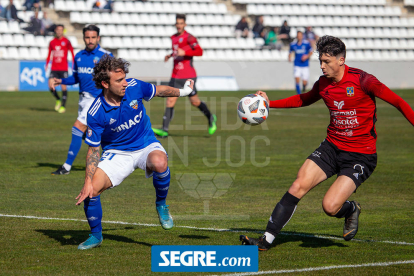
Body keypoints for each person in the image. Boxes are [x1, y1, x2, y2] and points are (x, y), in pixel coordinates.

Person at [240, 35, 414, 251]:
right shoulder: (323, 84)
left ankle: (350, 209)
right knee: (298, 185)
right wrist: (268, 103)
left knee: (330, 207)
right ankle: (265, 240)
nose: (322, 66)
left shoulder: (364, 81)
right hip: (331, 148)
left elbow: (398, 101)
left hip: (360, 155)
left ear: (341, 60)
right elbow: (302, 99)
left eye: (326, 62)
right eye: (320, 61)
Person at [75, 54, 195, 250]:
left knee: (159, 162)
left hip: (145, 143)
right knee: (91, 192)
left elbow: (160, 90)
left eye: (124, 78)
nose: (125, 84)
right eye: (119, 80)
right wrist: (87, 181)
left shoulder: (134, 87)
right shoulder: (95, 112)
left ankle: (161, 204)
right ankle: (96, 235)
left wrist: (184, 91)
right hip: (117, 153)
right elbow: (94, 150)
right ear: (105, 83)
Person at [49, 25, 113, 175]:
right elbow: (76, 78)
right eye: (87, 37)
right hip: (83, 100)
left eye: (93, 37)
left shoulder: (106, 56)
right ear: (84, 38)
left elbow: (115, 77)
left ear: (98, 38)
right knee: (94, 134)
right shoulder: (79, 56)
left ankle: (66, 167)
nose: (90, 41)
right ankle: (113, 159)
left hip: (97, 100)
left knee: (77, 128)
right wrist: (61, 81)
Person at [152, 14, 216, 138]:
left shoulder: (190, 38)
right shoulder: (173, 38)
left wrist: (185, 52)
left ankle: (210, 117)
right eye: (177, 23)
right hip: (175, 75)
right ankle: (164, 129)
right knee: (170, 100)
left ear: (184, 24)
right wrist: (170, 55)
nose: (179, 25)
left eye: (181, 23)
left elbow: (200, 51)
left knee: (195, 102)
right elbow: (176, 51)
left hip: (188, 76)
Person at [46, 24, 75, 113]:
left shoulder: (66, 41)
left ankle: (63, 106)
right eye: (57, 30)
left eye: (61, 30)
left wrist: (74, 64)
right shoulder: (52, 42)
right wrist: (47, 64)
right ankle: (58, 99)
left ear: (63, 31)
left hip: (63, 68)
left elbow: (72, 52)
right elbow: (49, 53)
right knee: (50, 86)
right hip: (54, 68)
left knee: (63, 87)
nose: (59, 31)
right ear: (55, 31)